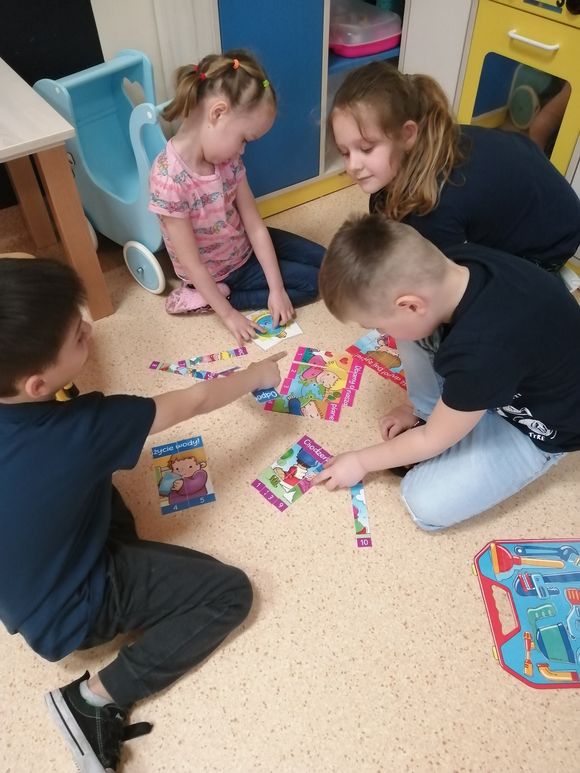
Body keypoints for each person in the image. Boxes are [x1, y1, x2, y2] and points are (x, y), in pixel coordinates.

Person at [0, 257, 285, 771]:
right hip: (71, 609)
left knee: (91, 479)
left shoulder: (46, 414)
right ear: (37, 385)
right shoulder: (87, 429)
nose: (90, 330)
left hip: (24, 583)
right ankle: (92, 701)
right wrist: (258, 373)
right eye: (79, 336)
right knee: (229, 593)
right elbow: (195, 399)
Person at [313, 214, 580, 530]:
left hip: (544, 426)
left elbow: (431, 440)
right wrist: (417, 407)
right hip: (505, 371)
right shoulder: (453, 263)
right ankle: (445, 412)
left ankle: (458, 418)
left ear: (411, 305)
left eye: (378, 326)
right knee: (412, 334)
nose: (382, 335)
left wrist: (360, 461)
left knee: (424, 502)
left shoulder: (482, 352)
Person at [329, 61, 580, 275]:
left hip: (552, 236)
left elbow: (448, 285)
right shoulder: (418, 148)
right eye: (345, 152)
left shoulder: (436, 208)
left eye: (366, 148)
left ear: (407, 135)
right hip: (529, 190)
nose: (353, 166)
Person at [149, 50, 324, 344]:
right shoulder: (167, 180)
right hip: (221, 273)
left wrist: (277, 289)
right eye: (244, 139)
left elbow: (255, 226)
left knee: (326, 261)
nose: (242, 150)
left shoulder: (227, 161)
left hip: (243, 243)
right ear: (217, 113)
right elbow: (192, 264)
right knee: (314, 283)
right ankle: (209, 297)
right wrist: (229, 315)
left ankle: (242, 289)